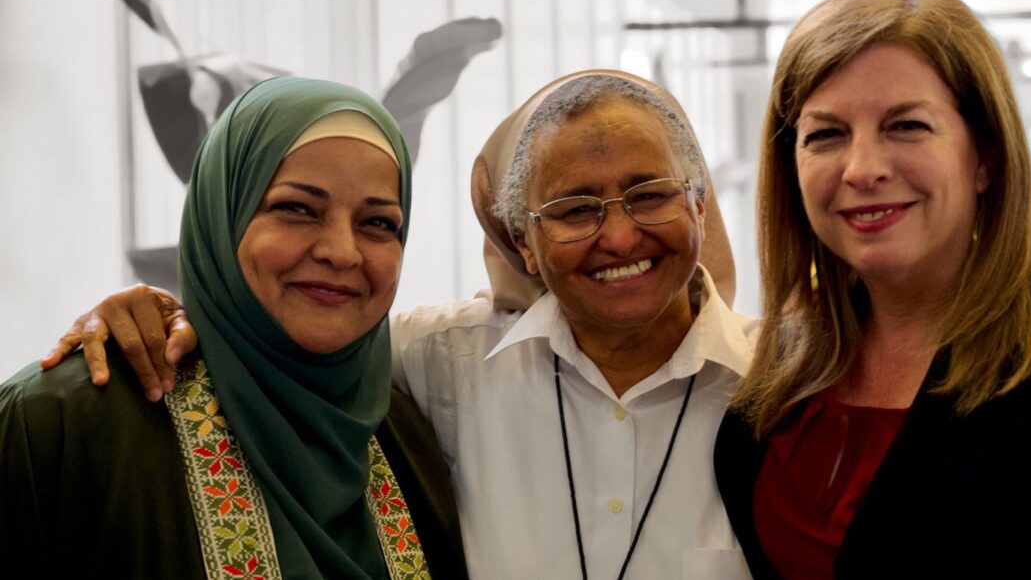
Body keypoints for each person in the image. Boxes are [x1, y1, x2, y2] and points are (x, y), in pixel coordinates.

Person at [42, 70, 756, 579]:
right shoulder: (440, 361)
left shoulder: (788, 385)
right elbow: (285, 326)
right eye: (574, 209)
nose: (620, 236)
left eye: (650, 194)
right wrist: (173, 309)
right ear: (521, 242)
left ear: (701, 207)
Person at [715, 0, 1031, 579]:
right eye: (826, 134)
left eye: (907, 126)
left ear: (985, 157)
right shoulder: (780, 367)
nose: (863, 168)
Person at [2, 77, 468, 579]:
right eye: (295, 209)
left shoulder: (409, 439)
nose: (342, 251)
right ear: (221, 215)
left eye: (378, 223)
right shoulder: (64, 425)